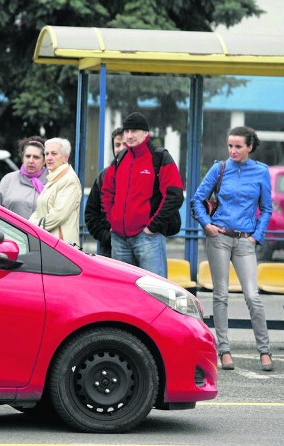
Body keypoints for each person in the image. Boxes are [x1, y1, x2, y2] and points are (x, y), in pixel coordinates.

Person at [191, 126, 273, 372]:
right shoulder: (220, 168)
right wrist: (207, 225)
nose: (233, 150)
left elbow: (267, 208)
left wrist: (256, 237)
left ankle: (265, 351)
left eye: (238, 146)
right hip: (219, 238)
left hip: (245, 241)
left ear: (250, 147)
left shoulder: (261, 172)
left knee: (252, 296)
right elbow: (196, 198)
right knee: (221, 295)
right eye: (230, 146)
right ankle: (224, 350)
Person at [102, 112, 184, 277]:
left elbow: (174, 195)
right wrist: (113, 221)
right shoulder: (121, 158)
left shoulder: (160, 157)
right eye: (126, 131)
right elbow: (107, 191)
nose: (129, 135)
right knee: (124, 292)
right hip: (119, 238)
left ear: (146, 133)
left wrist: (152, 227)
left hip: (148, 238)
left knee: (155, 292)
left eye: (134, 131)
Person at [29, 138, 81, 245]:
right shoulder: (53, 177)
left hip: (63, 246)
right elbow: (39, 210)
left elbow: (58, 215)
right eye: (47, 153)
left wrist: (32, 227)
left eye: (54, 153)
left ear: (65, 157)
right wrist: (28, 225)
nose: (49, 157)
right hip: (49, 243)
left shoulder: (69, 180)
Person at [85, 127, 125, 257]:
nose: (120, 148)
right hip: (108, 250)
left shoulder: (145, 174)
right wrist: (106, 237)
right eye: (117, 145)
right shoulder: (104, 176)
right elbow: (91, 214)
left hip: (138, 249)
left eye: (125, 144)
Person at [0, 136, 47, 219]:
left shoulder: (52, 182)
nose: (31, 161)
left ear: (44, 160)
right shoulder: (8, 180)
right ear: (22, 158)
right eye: (27, 156)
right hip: (10, 231)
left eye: (36, 157)